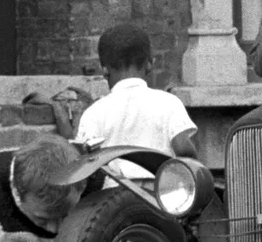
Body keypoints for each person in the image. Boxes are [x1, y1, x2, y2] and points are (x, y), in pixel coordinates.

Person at [73, 23, 199, 158]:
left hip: (113, 179)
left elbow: (85, 161)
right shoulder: (169, 103)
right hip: (160, 177)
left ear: (104, 70)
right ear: (150, 64)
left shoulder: (94, 114)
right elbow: (184, 149)